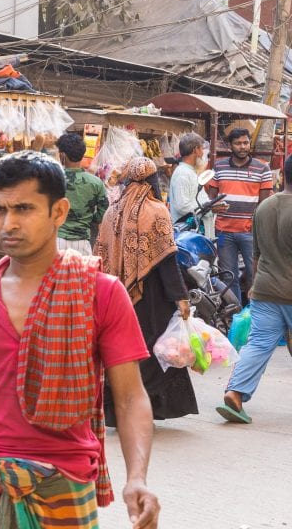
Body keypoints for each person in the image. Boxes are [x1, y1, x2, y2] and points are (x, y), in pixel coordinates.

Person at [0, 151, 160, 529]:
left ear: (58, 212)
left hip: (64, 481)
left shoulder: (100, 293)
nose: (8, 223)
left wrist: (137, 477)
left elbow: (129, 397)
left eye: (24, 209)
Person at [95, 158, 196, 426]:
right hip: (152, 299)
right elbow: (167, 259)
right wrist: (180, 297)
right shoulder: (156, 210)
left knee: (121, 351)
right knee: (152, 352)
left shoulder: (112, 212)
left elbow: (101, 254)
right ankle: (142, 407)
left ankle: (118, 409)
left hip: (116, 296)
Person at [216, 154, 292, 424]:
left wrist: (254, 286)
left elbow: (257, 255)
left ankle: (235, 393)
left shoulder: (264, 207)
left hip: (265, 288)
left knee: (258, 344)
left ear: (282, 175)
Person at [206, 128, 273, 304]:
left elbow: (264, 205)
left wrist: (257, 226)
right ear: (230, 146)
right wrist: (214, 207)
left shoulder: (262, 168)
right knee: (229, 278)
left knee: (255, 277)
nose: (242, 147)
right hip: (224, 231)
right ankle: (235, 317)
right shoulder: (219, 167)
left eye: (245, 142)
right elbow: (211, 198)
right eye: (238, 143)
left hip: (250, 232)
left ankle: (254, 315)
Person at [56, 132, 108, 256]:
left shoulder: (53, 179)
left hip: (56, 241)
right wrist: (88, 219)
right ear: (83, 154)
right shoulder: (96, 183)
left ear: (62, 155)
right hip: (82, 243)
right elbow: (103, 212)